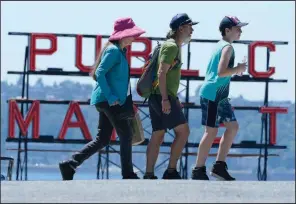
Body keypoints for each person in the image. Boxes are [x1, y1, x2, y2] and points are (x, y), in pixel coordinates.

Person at [59, 17, 145, 180]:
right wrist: (112, 97)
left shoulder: (119, 51)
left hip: (107, 100)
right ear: (122, 35)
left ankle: (70, 163)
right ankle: (128, 173)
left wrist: (128, 102)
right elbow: (99, 73)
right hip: (109, 100)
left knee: (103, 138)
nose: (134, 37)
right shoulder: (113, 51)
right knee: (126, 134)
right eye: (132, 34)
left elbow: (119, 82)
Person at [191, 16, 248, 181]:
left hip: (219, 96)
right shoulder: (227, 47)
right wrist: (237, 68)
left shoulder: (221, 45)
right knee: (211, 131)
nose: (240, 31)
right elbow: (221, 72)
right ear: (227, 30)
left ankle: (219, 166)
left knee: (232, 127)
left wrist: (235, 69)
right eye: (237, 28)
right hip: (213, 94)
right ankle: (198, 169)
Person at [143, 13, 198, 180]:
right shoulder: (172, 46)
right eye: (189, 26)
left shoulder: (170, 45)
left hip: (156, 95)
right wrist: (166, 99)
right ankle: (171, 170)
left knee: (158, 133)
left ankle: (149, 173)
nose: (192, 30)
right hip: (163, 96)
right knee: (183, 132)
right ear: (180, 28)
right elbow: (162, 72)